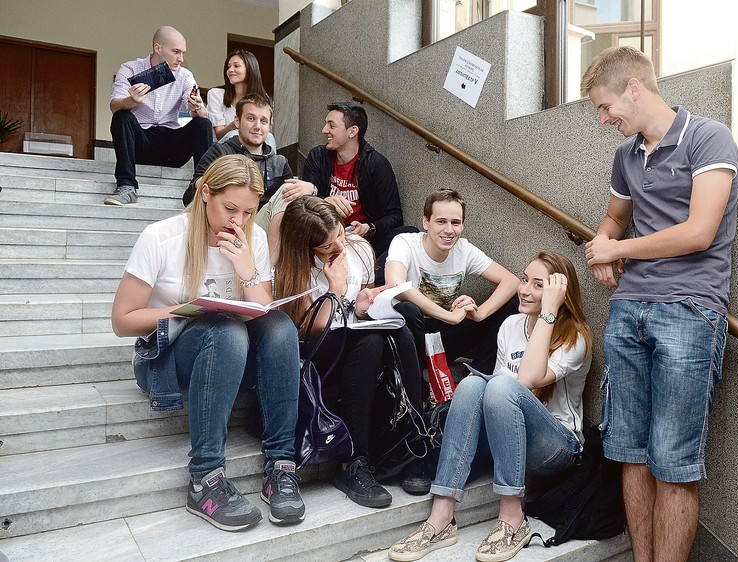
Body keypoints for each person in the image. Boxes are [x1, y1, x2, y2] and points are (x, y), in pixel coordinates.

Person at [581, 46, 738, 562]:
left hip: (690, 310)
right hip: (629, 308)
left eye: (605, 107)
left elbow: (699, 232)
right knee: (630, 453)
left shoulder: (708, 137)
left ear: (633, 88)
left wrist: (619, 250)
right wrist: (601, 244)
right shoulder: (626, 157)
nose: (603, 120)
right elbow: (614, 219)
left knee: (674, 463)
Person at [111, 155, 305, 531]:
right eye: (230, 208)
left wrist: (247, 270)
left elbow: (263, 311)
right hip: (166, 359)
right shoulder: (161, 237)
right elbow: (122, 321)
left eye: (248, 212)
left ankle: (281, 467)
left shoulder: (253, 239)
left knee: (280, 326)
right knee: (225, 330)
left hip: (229, 359)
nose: (239, 221)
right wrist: (187, 311)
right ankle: (205, 480)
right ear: (204, 193)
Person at [388, 251, 593, 562]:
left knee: (500, 385)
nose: (524, 290)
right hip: (508, 440)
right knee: (472, 385)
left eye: (538, 285)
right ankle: (441, 515)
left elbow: (527, 379)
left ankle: (513, 517)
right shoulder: (511, 325)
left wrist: (549, 313)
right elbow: (497, 397)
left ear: (558, 293)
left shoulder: (574, 336)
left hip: (554, 448)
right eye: (524, 280)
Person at [273, 196, 430, 509]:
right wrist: (334, 287)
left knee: (402, 322)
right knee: (371, 340)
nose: (339, 247)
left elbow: (361, 302)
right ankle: (353, 462)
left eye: (340, 234)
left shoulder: (359, 249)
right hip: (318, 353)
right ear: (305, 247)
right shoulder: (294, 269)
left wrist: (364, 302)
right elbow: (310, 330)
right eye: (327, 245)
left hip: (358, 341)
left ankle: (413, 441)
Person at [262, 102, 413, 278]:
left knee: (408, 233)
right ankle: (275, 271)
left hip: (359, 238)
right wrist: (324, 201)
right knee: (290, 193)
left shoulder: (376, 164)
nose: (324, 130)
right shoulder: (318, 156)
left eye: (331, 125)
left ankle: (370, 276)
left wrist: (368, 228)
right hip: (321, 235)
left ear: (352, 131)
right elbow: (303, 209)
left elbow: (394, 215)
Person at [385, 189, 519, 378]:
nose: (449, 230)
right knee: (407, 309)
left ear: (462, 225)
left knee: (514, 304)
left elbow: (512, 281)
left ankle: (473, 379)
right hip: (408, 338)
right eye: (441, 221)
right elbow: (396, 285)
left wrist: (481, 313)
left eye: (455, 222)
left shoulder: (464, 250)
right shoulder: (405, 243)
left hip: (443, 336)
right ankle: (415, 381)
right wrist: (450, 316)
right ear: (426, 222)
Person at [105, 26, 213, 207]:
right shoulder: (130, 68)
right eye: (176, 52)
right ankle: (126, 186)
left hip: (172, 147)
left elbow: (201, 113)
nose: (181, 59)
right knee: (121, 117)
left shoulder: (185, 75)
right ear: (158, 48)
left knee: (203, 124)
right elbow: (114, 105)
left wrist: (197, 108)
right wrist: (131, 101)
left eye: (183, 53)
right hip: (140, 143)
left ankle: (200, 187)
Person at [181, 94, 299, 223]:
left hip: (262, 225)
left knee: (290, 190)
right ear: (237, 121)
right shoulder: (219, 153)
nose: (257, 126)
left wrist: (311, 189)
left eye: (263, 121)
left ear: (269, 127)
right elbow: (189, 199)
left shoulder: (280, 163)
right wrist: (211, 181)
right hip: (225, 220)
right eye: (251, 118)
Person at [206, 49, 277, 151]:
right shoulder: (216, 94)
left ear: (250, 69)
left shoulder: (262, 98)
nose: (230, 70)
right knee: (233, 134)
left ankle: (268, 162)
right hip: (224, 149)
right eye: (228, 67)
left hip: (252, 146)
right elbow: (219, 135)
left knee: (269, 137)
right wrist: (237, 123)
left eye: (236, 66)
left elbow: (264, 131)